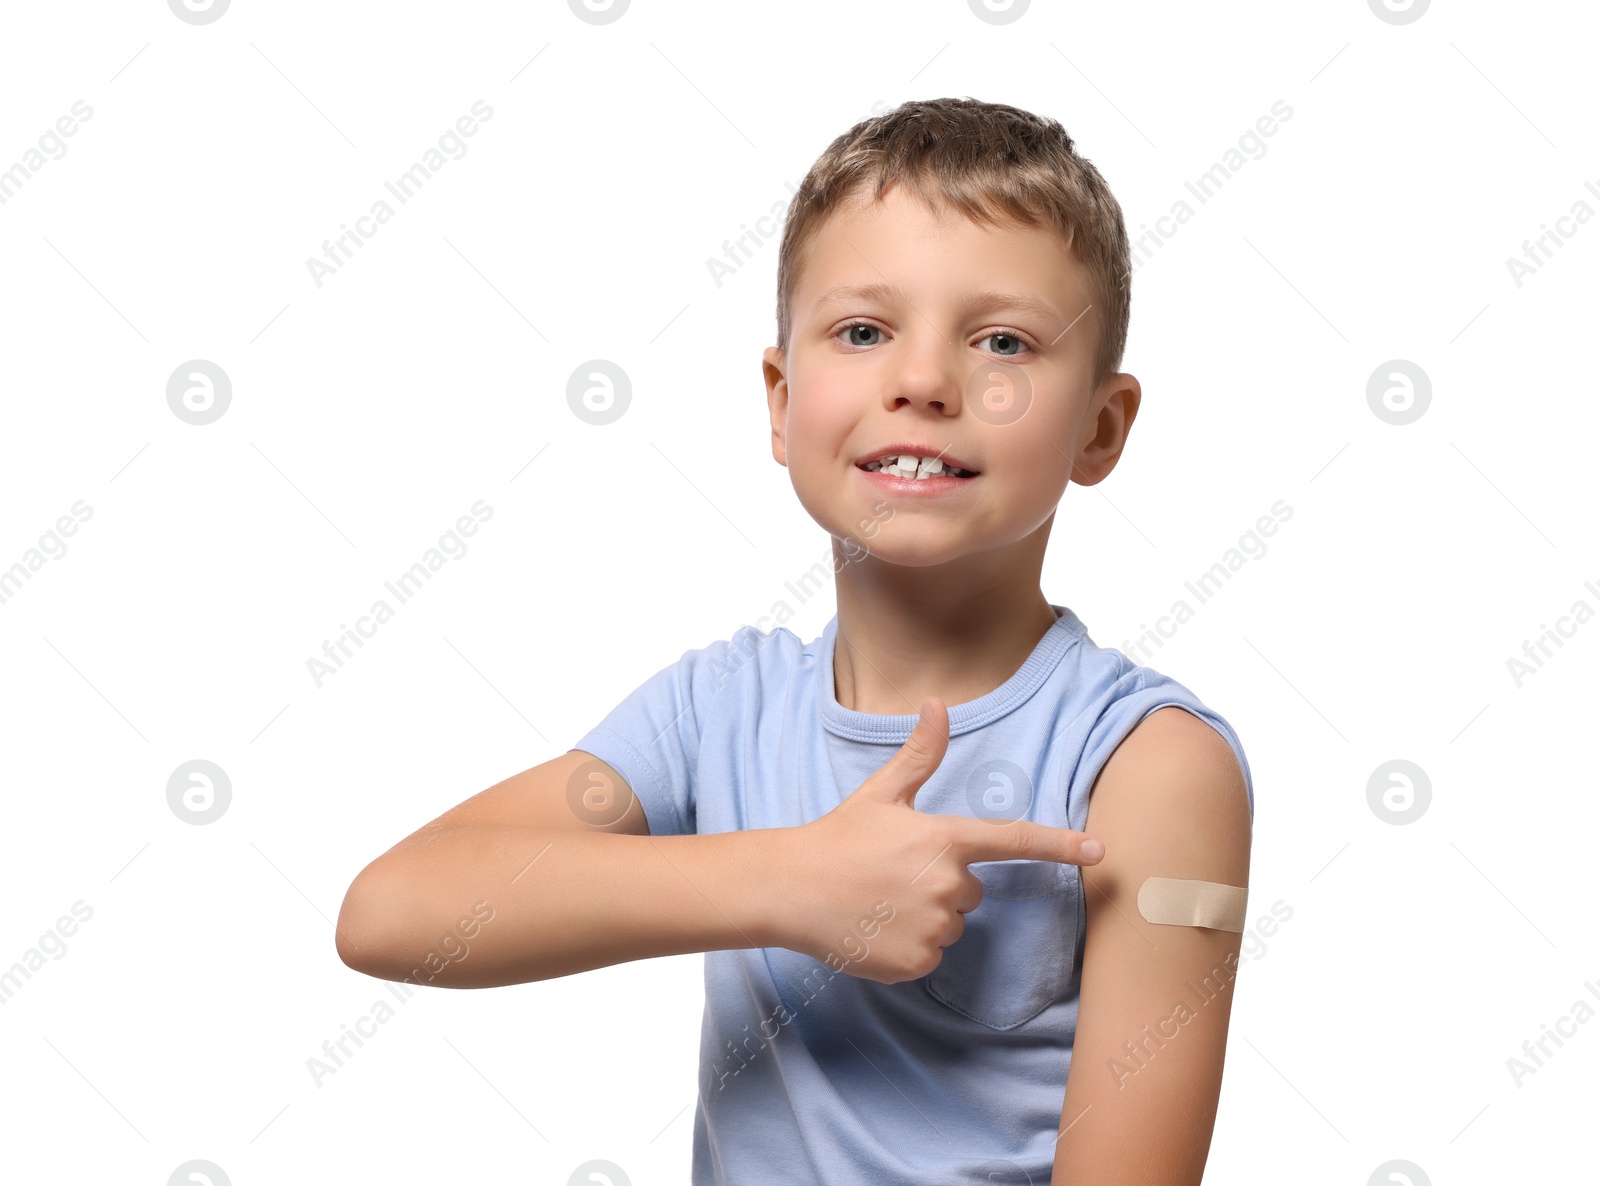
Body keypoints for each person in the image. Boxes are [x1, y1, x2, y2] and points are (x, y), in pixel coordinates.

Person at [335, 96, 1256, 1185]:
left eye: (1003, 341)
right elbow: (391, 911)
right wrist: (786, 881)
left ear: (1099, 428)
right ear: (780, 403)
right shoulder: (715, 710)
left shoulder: (1147, 767)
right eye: (862, 331)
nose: (920, 381)